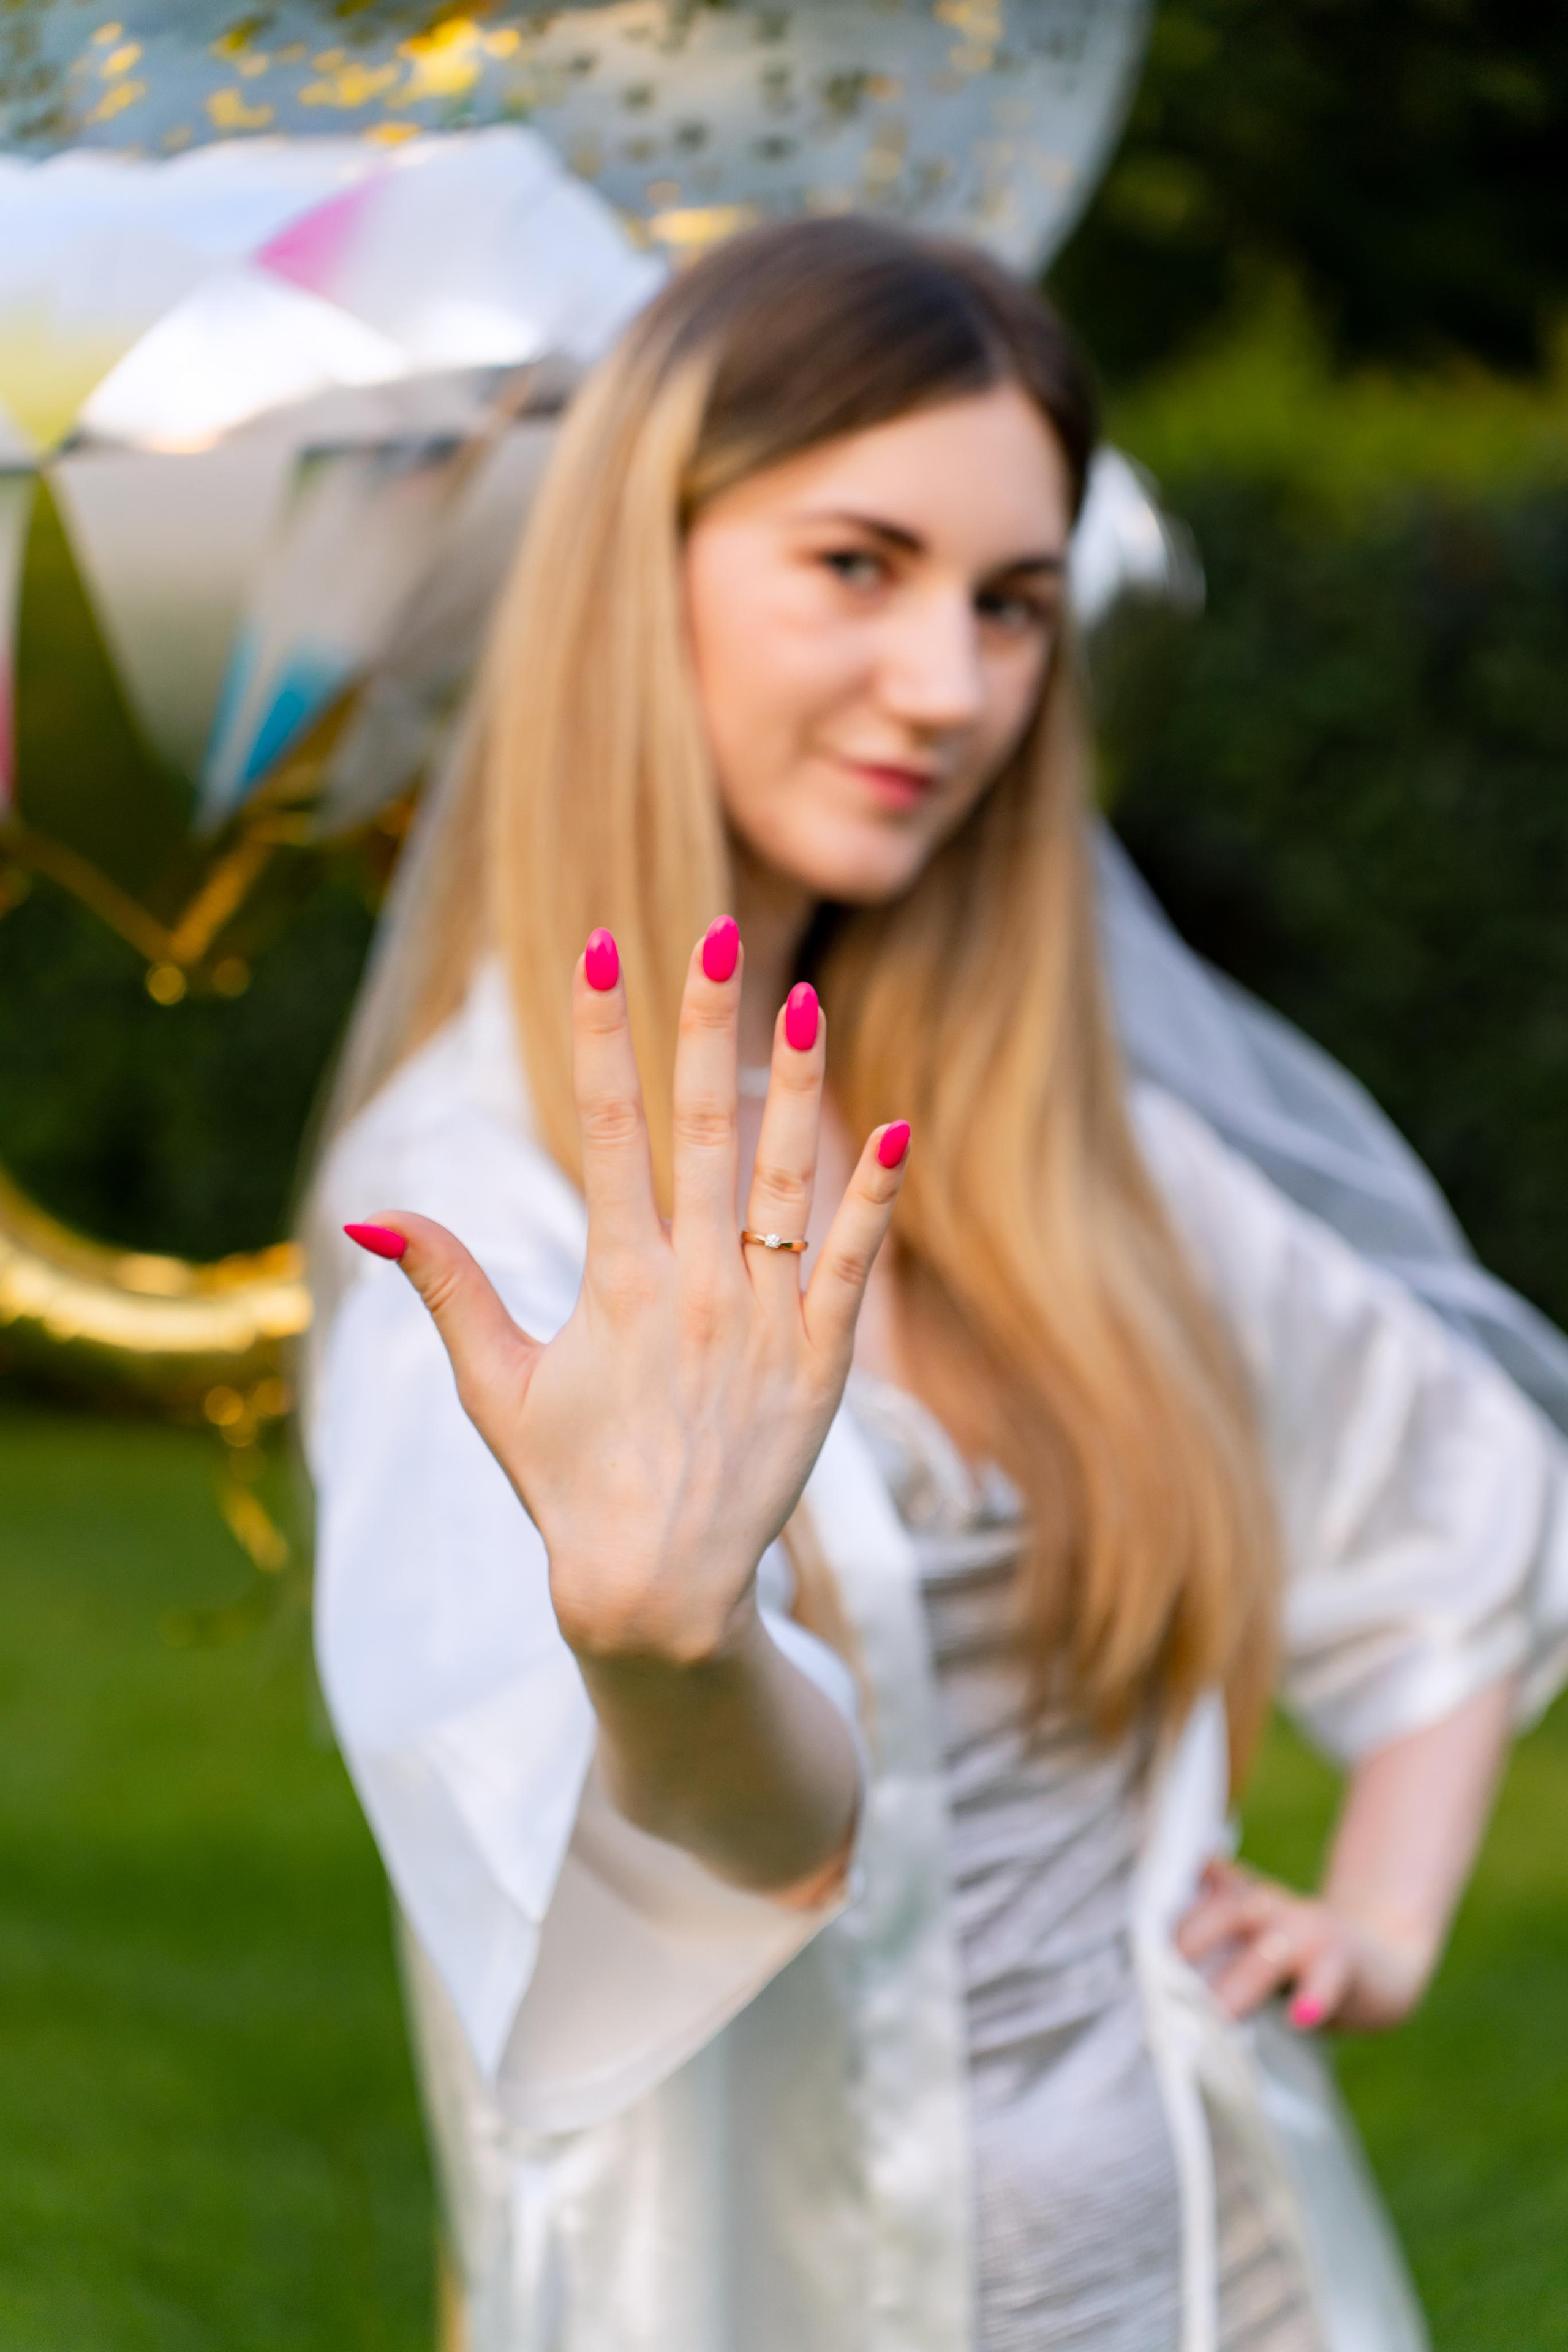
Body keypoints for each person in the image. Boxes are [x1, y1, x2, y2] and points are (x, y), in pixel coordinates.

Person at [306, 219, 1567, 2352]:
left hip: (1206, 2273)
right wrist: (671, 1652)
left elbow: (1458, 1490)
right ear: (649, 567)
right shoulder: (485, 1214)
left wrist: (1385, 1912)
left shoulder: (1047, 1135)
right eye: (858, 567)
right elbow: (642, 1881)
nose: (951, 687)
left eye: (1014, 606)